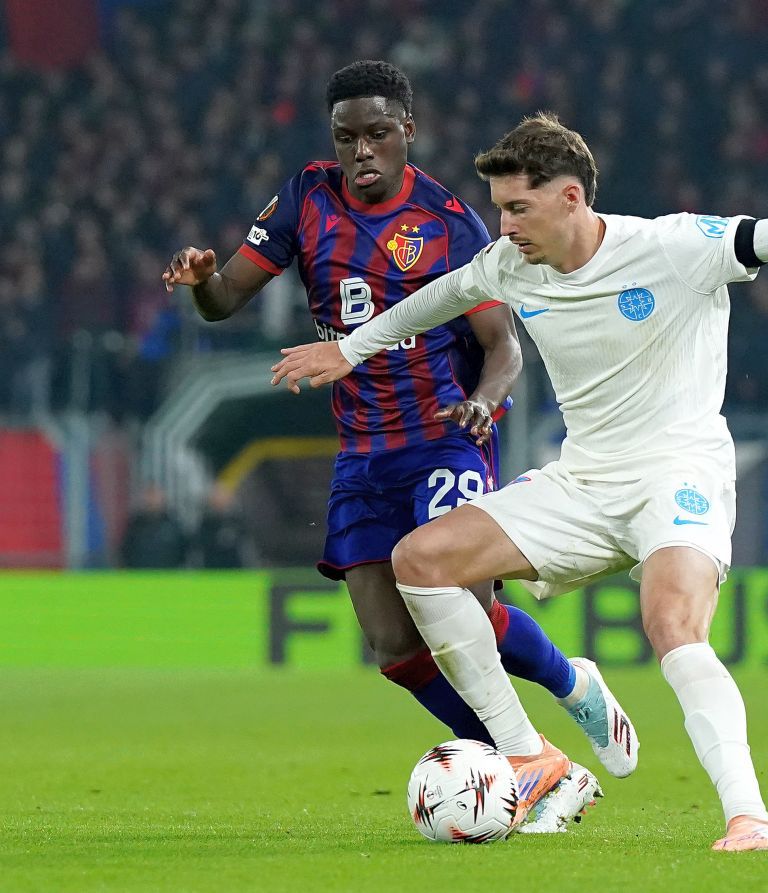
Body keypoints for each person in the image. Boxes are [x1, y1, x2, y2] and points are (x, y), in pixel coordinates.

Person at [270, 112, 768, 851]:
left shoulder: (674, 246)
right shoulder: (509, 262)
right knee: (419, 561)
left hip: (677, 469)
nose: (502, 224)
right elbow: (441, 296)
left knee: (673, 626)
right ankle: (528, 755)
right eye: (498, 207)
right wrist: (353, 350)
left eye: (517, 206)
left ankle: (749, 815)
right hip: (584, 477)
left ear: (570, 198)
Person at [162, 65, 637, 824]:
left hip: (442, 440)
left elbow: (503, 346)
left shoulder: (450, 222)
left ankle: (561, 701)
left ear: (407, 132)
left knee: (464, 608)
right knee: (394, 647)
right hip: (362, 452)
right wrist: (204, 281)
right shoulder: (305, 197)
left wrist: (484, 405)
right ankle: (529, 754)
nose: (361, 150)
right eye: (346, 136)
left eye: (377, 133)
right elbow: (223, 303)